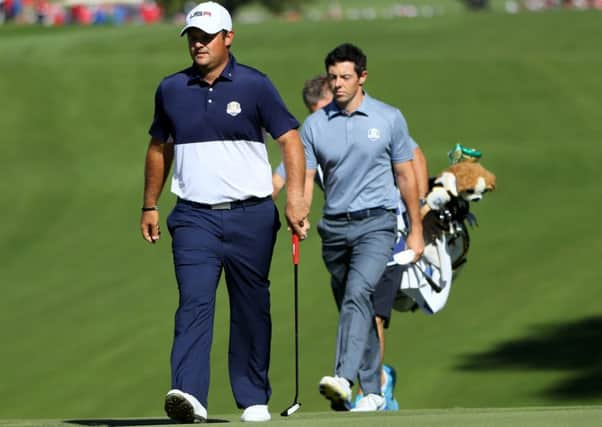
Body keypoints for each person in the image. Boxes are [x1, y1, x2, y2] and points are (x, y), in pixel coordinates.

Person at [139, 2, 308, 423]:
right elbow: (159, 148)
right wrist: (149, 204)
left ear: (228, 38)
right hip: (194, 216)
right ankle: (189, 395)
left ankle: (253, 397)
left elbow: (290, 139)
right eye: (193, 36)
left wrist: (296, 197)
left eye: (206, 37)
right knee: (194, 302)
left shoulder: (255, 85)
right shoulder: (171, 89)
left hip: (251, 215)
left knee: (251, 305)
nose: (198, 44)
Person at [302, 43, 425, 412]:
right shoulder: (314, 125)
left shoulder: (388, 118)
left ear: (362, 77)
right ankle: (372, 391)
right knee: (353, 304)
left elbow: (405, 175)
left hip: (378, 223)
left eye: (345, 77)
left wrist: (416, 228)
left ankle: (342, 377)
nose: (338, 84)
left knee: (358, 293)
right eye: (333, 78)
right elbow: (306, 178)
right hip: (335, 228)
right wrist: (300, 211)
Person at [271, 74, 333, 199]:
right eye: (316, 116)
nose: (323, 120)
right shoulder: (311, 140)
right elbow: (276, 184)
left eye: (328, 111)